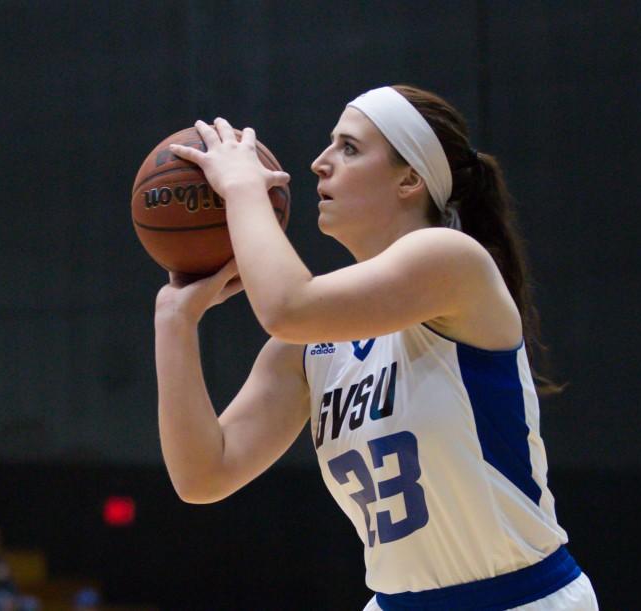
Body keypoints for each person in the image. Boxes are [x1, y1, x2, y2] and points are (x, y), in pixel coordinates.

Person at [159, 85, 598, 610]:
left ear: (410, 178)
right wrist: (174, 321)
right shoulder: (307, 348)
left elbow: (288, 305)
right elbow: (204, 474)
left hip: (518, 600)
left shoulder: (452, 261)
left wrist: (244, 190)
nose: (320, 164)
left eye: (349, 148)